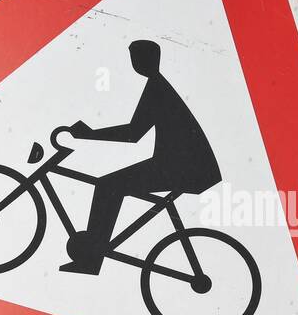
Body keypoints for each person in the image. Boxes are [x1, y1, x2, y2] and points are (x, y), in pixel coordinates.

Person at [62, 40, 221, 274]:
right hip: (185, 165)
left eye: (137, 57)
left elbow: (133, 133)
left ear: (148, 60)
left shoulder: (157, 88)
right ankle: (95, 253)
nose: (135, 62)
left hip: (185, 168)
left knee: (108, 186)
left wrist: (89, 134)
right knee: (110, 185)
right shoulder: (157, 85)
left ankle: (91, 259)